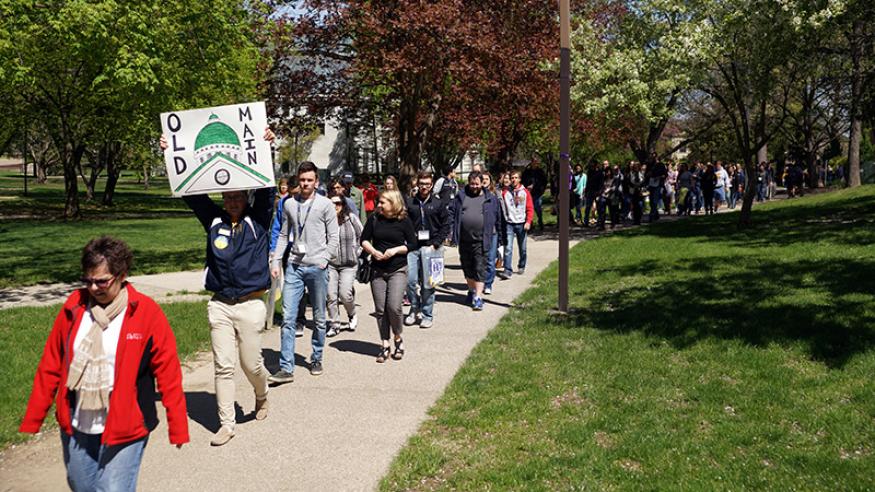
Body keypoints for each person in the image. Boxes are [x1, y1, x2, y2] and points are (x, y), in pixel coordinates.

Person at [20, 237, 188, 490]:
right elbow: (51, 364)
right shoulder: (74, 307)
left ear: (122, 275)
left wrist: (178, 426)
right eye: (88, 281)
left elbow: (168, 372)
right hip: (78, 421)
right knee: (82, 486)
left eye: (102, 281)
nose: (94, 288)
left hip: (127, 424)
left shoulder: (145, 312)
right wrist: (34, 417)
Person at [160, 129, 274, 446]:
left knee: (251, 364)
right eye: (227, 197)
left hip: (252, 305)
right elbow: (191, 193)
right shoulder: (214, 220)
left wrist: (267, 147)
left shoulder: (260, 219)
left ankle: (262, 394)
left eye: (237, 196)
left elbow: (267, 187)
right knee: (223, 366)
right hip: (220, 304)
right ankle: (227, 423)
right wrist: (172, 154)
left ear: (246, 197)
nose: (232, 201)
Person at [270, 161, 339, 382]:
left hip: (317, 267)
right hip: (294, 266)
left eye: (310, 180)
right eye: (302, 180)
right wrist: (275, 260)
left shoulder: (325, 204)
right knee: (288, 318)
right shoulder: (289, 203)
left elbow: (334, 236)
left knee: (319, 317)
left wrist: (325, 259)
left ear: (316, 181)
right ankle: (286, 367)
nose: (306, 184)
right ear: (297, 181)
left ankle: (316, 356)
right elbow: (283, 234)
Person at [361, 190, 417, 362]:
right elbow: (363, 239)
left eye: (383, 202)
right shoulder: (374, 219)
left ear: (393, 203)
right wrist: (373, 251)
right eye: (379, 202)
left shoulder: (404, 221)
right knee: (380, 310)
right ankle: (384, 344)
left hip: (397, 269)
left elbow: (413, 244)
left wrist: (395, 250)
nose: (379, 205)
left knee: (394, 306)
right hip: (377, 270)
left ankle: (398, 338)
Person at [449, 171, 505, 311]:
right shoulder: (460, 196)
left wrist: (500, 239)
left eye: (477, 184)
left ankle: (478, 297)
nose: (474, 186)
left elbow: (498, 218)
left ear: (482, 183)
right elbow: (451, 213)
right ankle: (471, 290)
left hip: (482, 239)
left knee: (480, 267)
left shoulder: (490, 198)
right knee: (467, 267)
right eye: (472, 183)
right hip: (464, 239)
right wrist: (451, 232)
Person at [404, 172, 449, 326]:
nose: (424, 187)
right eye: (421, 183)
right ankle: (414, 308)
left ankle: (427, 314)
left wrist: (436, 242)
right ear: (418, 184)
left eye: (427, 184)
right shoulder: (411, 202)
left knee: (428, 283)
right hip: (414, 247)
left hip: (432, 247)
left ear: (431, 185)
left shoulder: (438, 203)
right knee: (410, 281)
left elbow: (446, 224)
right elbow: (405, 223)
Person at [326, 192, 363, 338]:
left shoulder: (351, 218)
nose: (335, 206)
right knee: (330, 295)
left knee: (345, 293)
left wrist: (357, 251)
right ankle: (334, 324)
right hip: (331, 264)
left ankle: (352, 314)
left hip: (349, 263)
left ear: (343, 205)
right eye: (332, 203)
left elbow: (362, 235)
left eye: (338, 203)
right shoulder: (325, 221)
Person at [498, 169, 533, 280]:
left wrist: (528, 221)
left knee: (522, 248)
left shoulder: (525, 192)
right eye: (512, 178)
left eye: (516, 178)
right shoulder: (505, 192)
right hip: (510, 223)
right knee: (508, 248)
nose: (513, 180)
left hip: (522, 223)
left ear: (520, 179)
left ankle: (521, 265)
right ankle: (507, 270)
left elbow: (530, 208)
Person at [521, 158, 547, 231]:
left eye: (536, 162)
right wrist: (526, 187)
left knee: (537, 207)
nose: (535, 164)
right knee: (528, 208)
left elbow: (543, 182)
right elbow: (523, 181)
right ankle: (530, 223)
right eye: (533, 162)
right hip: (528, 193)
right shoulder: (527, 172)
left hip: (537, 193)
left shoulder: (540, 172)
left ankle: (540, 221)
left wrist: (537, 187)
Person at [582, 160, 605, 227]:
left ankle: (599, 222)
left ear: (596, 165)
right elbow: (588, 182)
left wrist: (600, 191)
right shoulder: (590, 172)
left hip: (597, 191)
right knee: (588, 207)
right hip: (590, 191)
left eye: (593, 165)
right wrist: (586, 191)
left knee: (598, 207)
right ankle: (586, 221)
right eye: (591, 165)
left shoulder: (600, 172)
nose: (592, 166)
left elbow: (601, 183)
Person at [647, 156, 667, 222]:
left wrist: (659, 177)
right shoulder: (650, 165)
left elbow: (665, 175)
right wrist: (648, 174)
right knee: (651, 200)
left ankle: (651, 216)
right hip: (651, 183)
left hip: (658, 184)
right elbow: (646, 174)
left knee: (655, 200)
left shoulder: (661, 165)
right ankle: (656, 215)